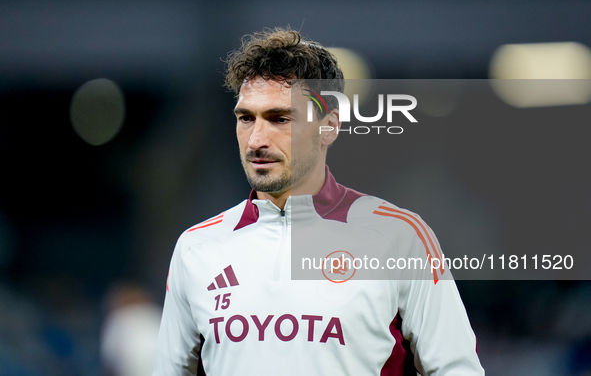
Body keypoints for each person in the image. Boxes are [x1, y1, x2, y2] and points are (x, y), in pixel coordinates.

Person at [153, 28, 484, 375]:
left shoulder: (401, 238)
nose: (256, 140)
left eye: (280, 118)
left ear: (329, 126)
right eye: (246, 118)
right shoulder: (196, 248)